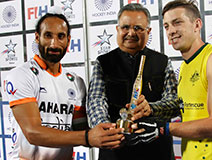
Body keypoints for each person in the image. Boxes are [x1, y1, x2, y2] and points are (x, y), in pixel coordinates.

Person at [133, 0, 212, 159]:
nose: (171, 31)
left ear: (197, 25)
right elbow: (185, 107)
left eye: (177, 23)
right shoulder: (185, 68)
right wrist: (150, 109)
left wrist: (163, 128)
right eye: (166, 26)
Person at [4, 7, 124, 160]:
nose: (54, 44)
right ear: (37, 37)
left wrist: (112, 132)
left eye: (61, 36)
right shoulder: (21, 75)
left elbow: (81, 128)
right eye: (48, 35)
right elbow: (32, 133)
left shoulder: (75, 81)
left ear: (68, 40)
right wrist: (88, 137)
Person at [87, 3, 181, 160]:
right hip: (115, 151)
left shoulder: (163, 62)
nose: (131, 33)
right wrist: (111, 131)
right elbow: (95, 104)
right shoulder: (103, 62)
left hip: (157, 151)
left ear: (148, 31)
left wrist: (150, 109)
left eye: (138, 28)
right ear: (117, 29)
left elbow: (174, 104)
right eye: (125, 27)